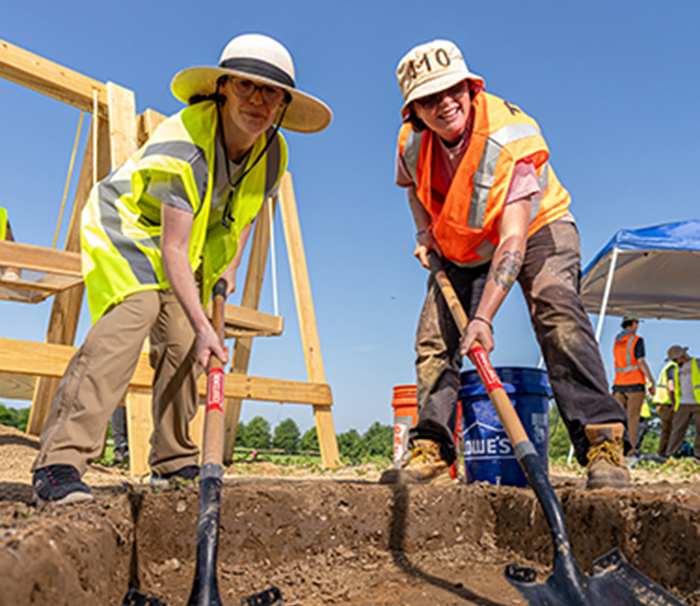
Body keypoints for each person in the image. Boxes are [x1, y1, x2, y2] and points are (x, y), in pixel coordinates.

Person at [30, 34, 332, 506]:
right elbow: (171, 246)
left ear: (282, 104)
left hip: (184, 246)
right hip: (127, 227)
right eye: (246, 86)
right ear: (224, 87)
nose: (256, 100)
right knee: (136, 312)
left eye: (270, 91)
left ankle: (173, 463)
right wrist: (203, 324)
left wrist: (228, 268)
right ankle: (58, 462)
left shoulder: (273, 153)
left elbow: (246, 213)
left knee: (182, 342)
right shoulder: (186, 142)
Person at [380, 39, 631, 489]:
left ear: (470, 87)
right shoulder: (411, 141)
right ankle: (432, 447)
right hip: (462, 241)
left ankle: (601, 441)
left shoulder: (511, 135)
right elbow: (411, 188)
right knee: (434, 338)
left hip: (536, 227)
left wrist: (483, 317)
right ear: (413, 110)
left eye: (452, 90)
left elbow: (514, 238)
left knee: (556, 307)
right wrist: (423, 233)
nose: (444, 104)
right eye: (429, 99)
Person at [611, 313, 655, 455]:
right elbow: (641, 362)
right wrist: (651, 380)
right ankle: (629, 453)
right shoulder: (637, 340)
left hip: (618, 384)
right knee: (632, 420)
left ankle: (615, 450)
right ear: (635, 323)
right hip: (635, 384)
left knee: (617, 419)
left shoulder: (617, 340)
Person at [664, 345, 700, 460]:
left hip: (698, 403)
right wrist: (675, 403)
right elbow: (674, 387)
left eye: (675, 359)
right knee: (677, 431)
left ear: (682, 356)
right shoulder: (675, 369)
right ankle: (670, 455)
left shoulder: (697, 363)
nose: (674, 362)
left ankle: (698, 455)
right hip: (683, 404)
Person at [652, 356, 677, 457]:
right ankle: (664, 454)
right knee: (668, 430)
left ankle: (666, 453)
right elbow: (671, 387)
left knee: (669, 430)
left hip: (664, 403)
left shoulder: (668, 367)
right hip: (666, 403)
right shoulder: (673, 368)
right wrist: (674, 403)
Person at [0, 206, 21, 281]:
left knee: (15, 258)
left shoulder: (1, 213)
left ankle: (10, 280)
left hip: (3, 249)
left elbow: (11, 244)